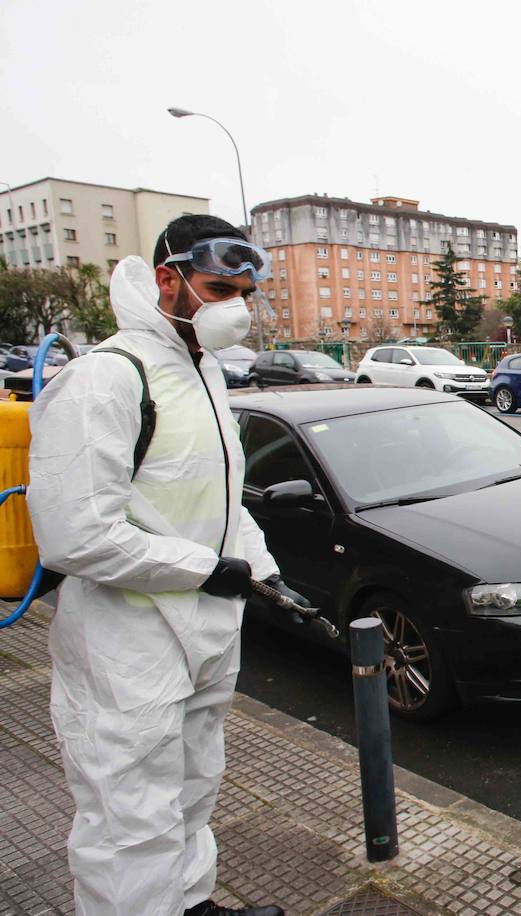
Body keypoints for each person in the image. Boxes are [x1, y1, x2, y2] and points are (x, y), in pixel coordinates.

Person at [27, 215, 303, 916]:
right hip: (126, 645)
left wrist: (264, 572)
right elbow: (74, 533)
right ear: (167, 280)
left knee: (191, 788)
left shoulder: (202, 374)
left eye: (244, 292)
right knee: (129, 823)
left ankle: (191, 903)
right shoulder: (106, 379)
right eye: (218, 288)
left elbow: (220, 500)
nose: (234, 308)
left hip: (202, 634)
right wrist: (205, 570)